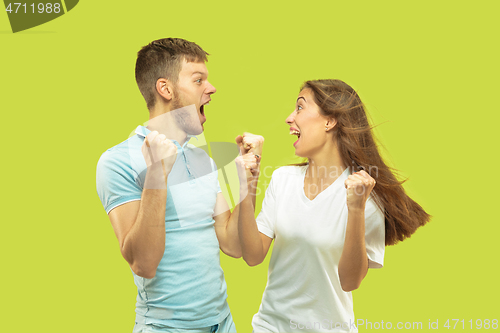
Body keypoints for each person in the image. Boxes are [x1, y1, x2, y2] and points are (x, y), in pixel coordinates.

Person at [236, 79, 431, 332]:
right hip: (270, 327)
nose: (289, 118)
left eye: (299, 108)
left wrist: (356, 209)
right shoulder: (282, 178)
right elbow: (252, 256)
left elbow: (350, 281)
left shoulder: (364, 193)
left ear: (329, 121)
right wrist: (247, 182)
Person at [96, 38, 261, 333]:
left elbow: (232, 244)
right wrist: (157, 176)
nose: (210, 89)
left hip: (222, 323)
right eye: (198, 80)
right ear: (166, 89)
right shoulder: (117, 161)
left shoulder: (202, 159)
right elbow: (143, 263)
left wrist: (247, 183)